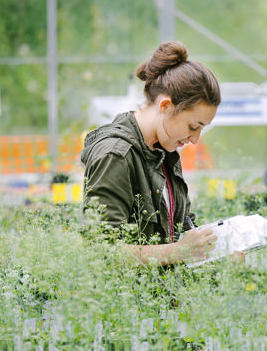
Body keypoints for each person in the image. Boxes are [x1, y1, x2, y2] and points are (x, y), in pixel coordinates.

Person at [81, 41, 220, 266]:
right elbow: (100, 249)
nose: (195, 139)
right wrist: (178, 251)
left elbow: (183, 229)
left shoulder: (166, 152)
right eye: (194, 126)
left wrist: (217, 256)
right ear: (165, 107)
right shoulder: (115, 155)